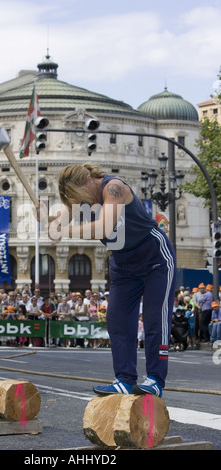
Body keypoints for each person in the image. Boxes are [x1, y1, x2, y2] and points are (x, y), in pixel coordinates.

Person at [37, 162, 176, 397]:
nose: (81, 202)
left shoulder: (114, 188)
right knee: (117, 320)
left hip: (154, 257)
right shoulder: (80, 197)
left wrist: (62, 231)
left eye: (80, 196)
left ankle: (155, 379)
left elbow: (104, 228)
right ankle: (124, 378)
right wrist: (46, 220)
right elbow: (59, 222)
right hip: (123, 263)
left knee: (155, 318)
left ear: (89, 180)